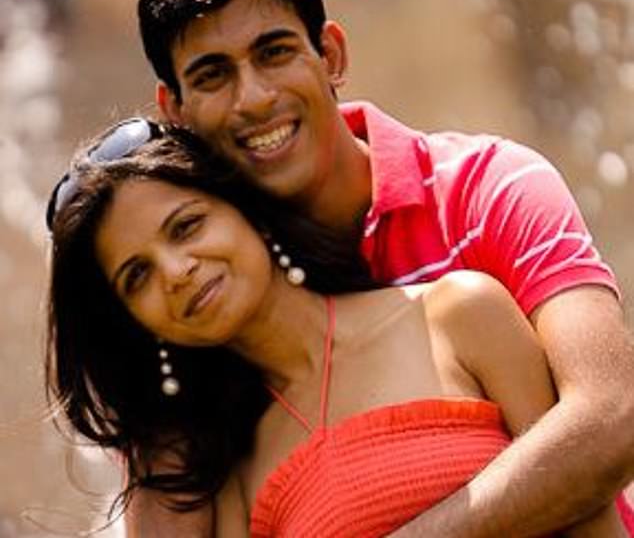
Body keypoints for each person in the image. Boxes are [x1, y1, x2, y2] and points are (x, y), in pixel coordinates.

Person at [134, 0, 634, 536]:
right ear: (175, 111)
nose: (254, 98)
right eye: (213, 75)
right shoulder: (207, 286)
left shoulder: (489, 187)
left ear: (331, 56)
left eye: (275, 52)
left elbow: (613, 418)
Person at [46, 119, 631, 537]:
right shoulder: (230, 475)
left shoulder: (458, 315)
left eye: (186, 226)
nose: (175, 272)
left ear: (244, 206)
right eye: (137, 276)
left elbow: (593, 516)